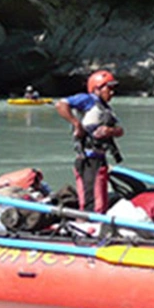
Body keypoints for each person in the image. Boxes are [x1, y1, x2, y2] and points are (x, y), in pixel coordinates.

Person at [55, 70, 123, 213]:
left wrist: (110, 131)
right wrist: (76, 124)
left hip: (99, 159)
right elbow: (61, 104)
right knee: (92, 201)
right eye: (108, 88)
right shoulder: (87, 100)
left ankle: (98, 225)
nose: (112, 92)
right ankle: (88, 227)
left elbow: (120, 130)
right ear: (97, 88)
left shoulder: (106, 108)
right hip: (88, 161)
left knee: (100, 200)